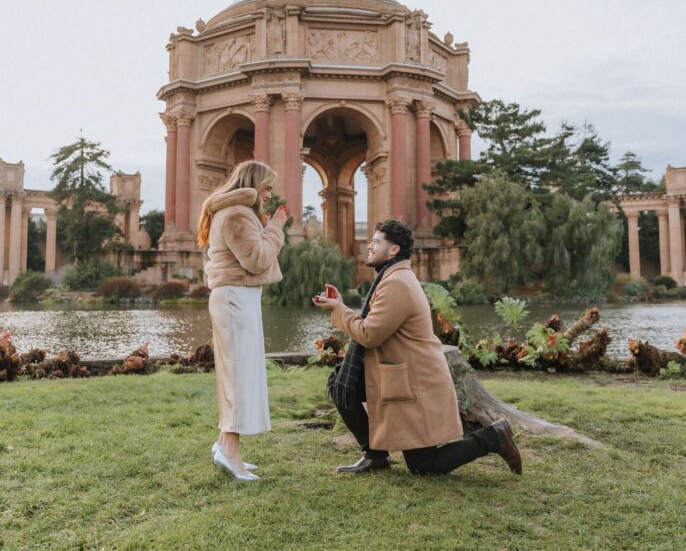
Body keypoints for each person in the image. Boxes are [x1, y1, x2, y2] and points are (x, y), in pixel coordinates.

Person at [313, 219, 522, 476]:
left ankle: (493, 437)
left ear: (393, 250)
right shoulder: (393, 278)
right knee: (341, 382)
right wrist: (342, 306)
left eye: (376, 242)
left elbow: (368, 334)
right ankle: (375, 455)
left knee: (423, 466)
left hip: (417, 385)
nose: (369, 246)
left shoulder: (396, 283)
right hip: (404, 377)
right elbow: (375, 324)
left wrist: (339, 310)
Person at [198, 160, 289, 481]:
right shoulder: (237, 214)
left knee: (238, 372)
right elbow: (257, 259)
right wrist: (276, 227)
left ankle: (225, 444)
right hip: (235, 298)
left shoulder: (235, 212)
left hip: (238, 298)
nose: (268, 195)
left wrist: (267, 226)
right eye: (267, 189)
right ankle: (230, 453)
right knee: (238, 375)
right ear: (253, 183)